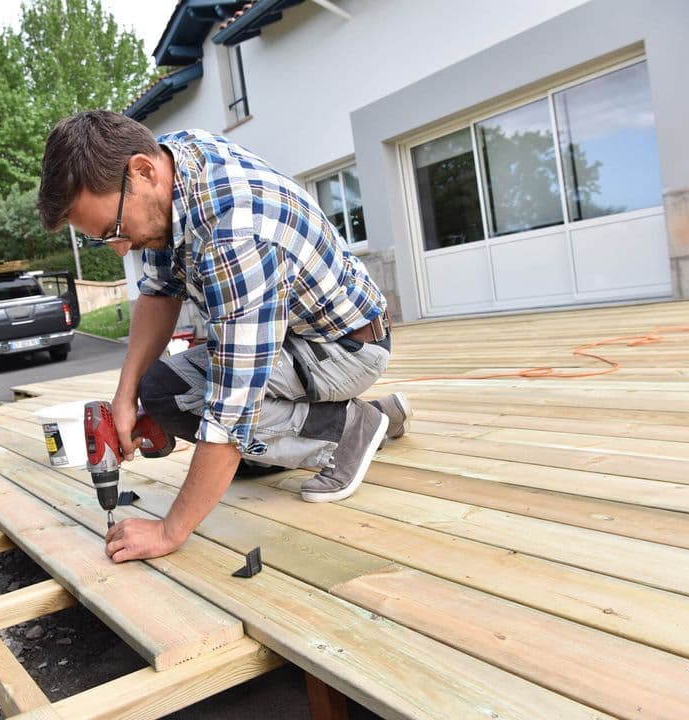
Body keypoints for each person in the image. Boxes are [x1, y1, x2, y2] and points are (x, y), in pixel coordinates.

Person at [37, 110, 411, 562]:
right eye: (103, 240)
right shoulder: (175, 165)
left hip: (342, 348)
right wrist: (125, 394)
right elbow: (159, 292)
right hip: (296, 334)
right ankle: (362, 419)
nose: (119, 248)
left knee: (208, 404)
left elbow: (230, 410)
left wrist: (169, 531)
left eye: (114, 232)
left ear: (142, 170)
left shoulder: (236, 233)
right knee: (160, 390)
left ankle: (348, 429)